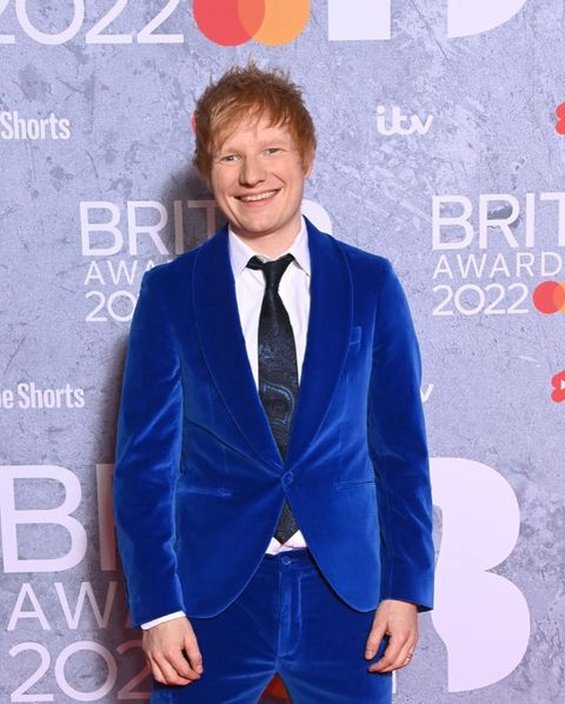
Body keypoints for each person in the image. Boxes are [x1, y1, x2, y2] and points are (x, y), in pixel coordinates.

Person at [113, 64, 434, 703]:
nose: (252, 174)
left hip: (345, 591)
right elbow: (144, 467)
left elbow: (401, 452)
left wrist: (406, 587)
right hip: (209, 596)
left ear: (306, 156)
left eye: (271, 149)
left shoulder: (370, 284)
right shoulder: (171, 294)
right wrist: (157, 609)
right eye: (230, 155)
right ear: (209, 171)